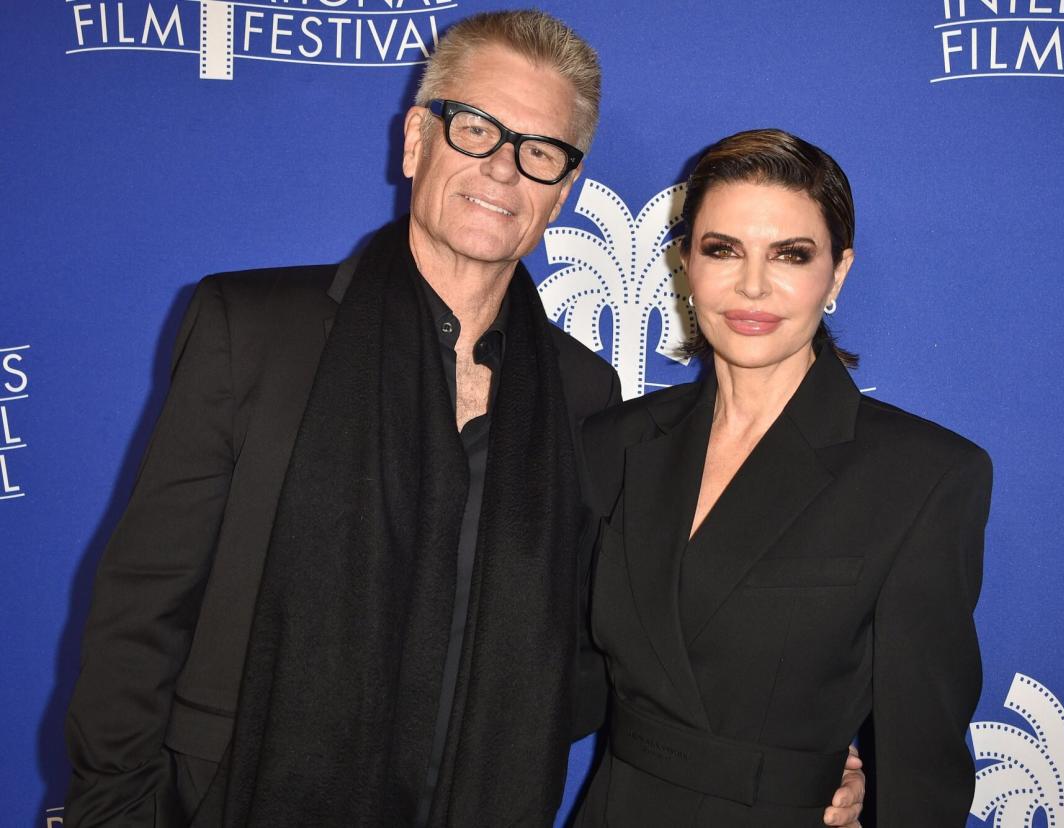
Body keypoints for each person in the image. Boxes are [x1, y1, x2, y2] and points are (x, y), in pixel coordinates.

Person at [63, 11, 866, 828]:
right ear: (416, 139)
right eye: (476, 129)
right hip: (232, 797)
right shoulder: (254, 328)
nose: (503, 170)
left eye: (539, 151)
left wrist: (785, 757)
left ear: (565, 190)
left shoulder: (584, 394)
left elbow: (614, 646)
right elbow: (141, 608)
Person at [574, 129, 992, 826]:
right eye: (721, 249)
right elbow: (555, 674)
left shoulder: (923, 477)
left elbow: (922, 764)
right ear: (686, 264)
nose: (752, 285)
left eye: (790, 255)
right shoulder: (612, 441)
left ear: (837, 273)